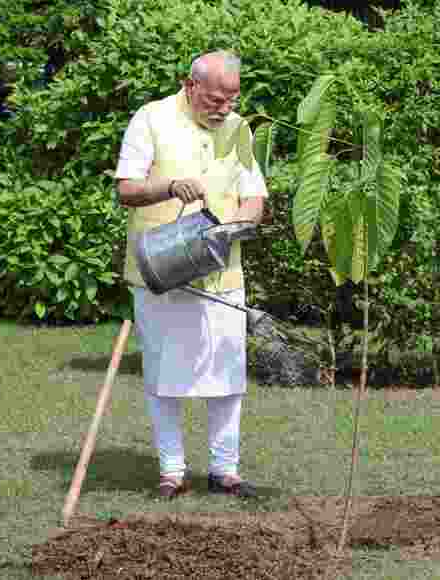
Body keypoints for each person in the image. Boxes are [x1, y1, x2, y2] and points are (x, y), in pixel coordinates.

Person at [114, 50, 268, 500]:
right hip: (161, 271)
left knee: (228, 374)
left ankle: (225, 470)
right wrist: (169, 186)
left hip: (222, 273)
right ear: (190, 85)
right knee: (165, 375)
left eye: (232, 99)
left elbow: (254, 195)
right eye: (215, 99)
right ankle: (171, 471)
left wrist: (240, 223)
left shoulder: (239, 130)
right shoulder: (152, 118)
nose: (224, 108)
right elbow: (126, 189)